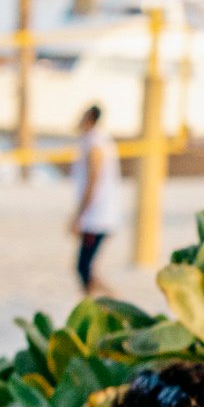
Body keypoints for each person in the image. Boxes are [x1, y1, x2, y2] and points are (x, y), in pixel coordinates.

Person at [70, 103, 130, 298]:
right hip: (100, 212)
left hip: (97, 215)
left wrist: (79, 214)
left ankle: (106, 298)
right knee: (84, 266)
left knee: (82, 267)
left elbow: (93, 180)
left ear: (89, 119)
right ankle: (99, 299)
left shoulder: (94, 142)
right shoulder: (99, 140)